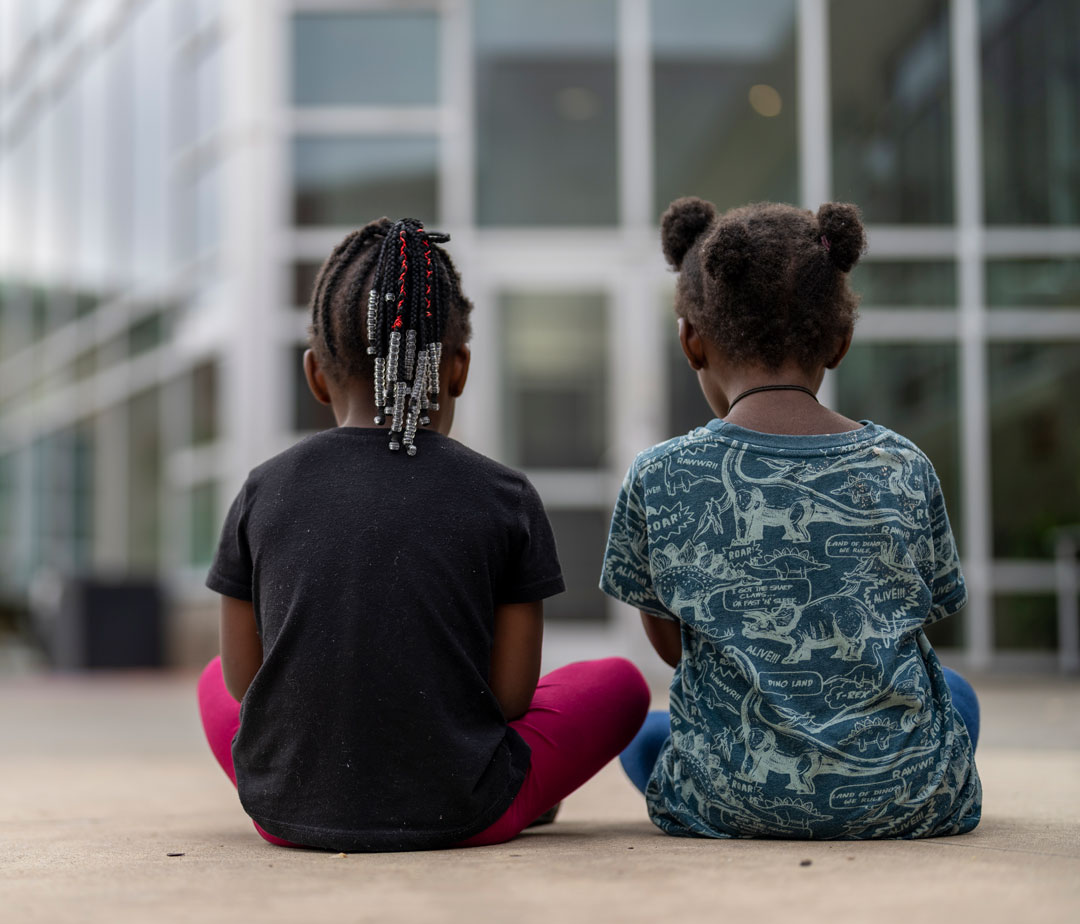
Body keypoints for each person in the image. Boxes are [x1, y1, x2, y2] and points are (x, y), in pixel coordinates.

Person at [198, 217, 650, 851]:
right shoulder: (506, 497)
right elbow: (512, 699)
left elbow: (246, 684)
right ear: (459, 368)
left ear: (315, 374)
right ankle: (526, 795)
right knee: (620, 684)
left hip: (287, 813)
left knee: (211, 678)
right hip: (465, 808)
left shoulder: (261, 489)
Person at [601, 197, 981, 840]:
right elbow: (920, 618)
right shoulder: (905, 464)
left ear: (691, 340)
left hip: (724, 801)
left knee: (647, 731)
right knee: (956, 693)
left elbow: (672, 650)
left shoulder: (657, 475)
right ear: (840, 340)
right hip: (908, 801)